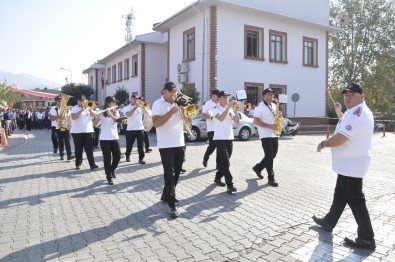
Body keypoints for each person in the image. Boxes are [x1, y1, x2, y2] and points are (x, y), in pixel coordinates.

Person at [313, 83, 376, 250]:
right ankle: (329, 221)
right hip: (348, 164)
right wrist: (340, 111)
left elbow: (341, 138)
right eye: (346, 94)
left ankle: (367, 238)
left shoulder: (358, 114)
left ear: (362, 96)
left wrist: (324, 143)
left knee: (356, 201)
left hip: (351, 164)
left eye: (352, 95)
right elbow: (345, 123)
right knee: (340, 194)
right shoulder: (354, 111)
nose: (348, 97)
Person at [152, 82, 191, 218]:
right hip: (165, 145)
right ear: (164, 92)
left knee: (177, 173)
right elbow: (156, 123)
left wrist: (185, 112)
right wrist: (171, 111)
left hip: (179, 143)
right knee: (169, 174)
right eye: (170, 92)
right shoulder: (158, 104)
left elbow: (188, 122)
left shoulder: (179, 103)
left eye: (174, 92)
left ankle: (165, 194)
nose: (173, 94)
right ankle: (172, 204)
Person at [212, 91, 240, 193]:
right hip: (219, 138)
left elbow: (237, 121)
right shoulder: (215, 109)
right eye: (224, 97)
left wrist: (235, 110)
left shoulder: (231, 110)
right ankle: (230, 185)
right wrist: (229, 108)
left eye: (226, 97)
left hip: (229, 138)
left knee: (225, 162)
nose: (226, 99)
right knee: (226, 162)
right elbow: (221, 118)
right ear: (218, 99)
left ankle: (217, 177)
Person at [252, 88, 280, 187]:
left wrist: (278, 121)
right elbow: (255, 121)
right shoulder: (259, 107)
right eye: (269, 94)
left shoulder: (274, 106)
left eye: (272, 94)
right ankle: (271, 178)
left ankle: (258, 168)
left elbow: (276, 119)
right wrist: (268, 126)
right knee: (269, 156)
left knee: (273, 155)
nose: (271, 96)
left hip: (273, 134)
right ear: (263, 96)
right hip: (265, 134)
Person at [93, 96, 121, 185]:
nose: (115, 103)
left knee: (117, 157)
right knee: (107, 159)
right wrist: (98, 116)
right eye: (114, 102)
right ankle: (109, 176)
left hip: (114, 138)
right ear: (108, 103)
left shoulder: (116, 112)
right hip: (104, 139)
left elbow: (117, 120)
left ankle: (112, 169)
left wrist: (110, 114)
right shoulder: (101, 113)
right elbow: (94, 124)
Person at [70, 95, 99, 170]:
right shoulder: (74, 108)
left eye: (84, 100)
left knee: (89, 148)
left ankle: (92, 165)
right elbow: (74, 117)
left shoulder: (88, 108)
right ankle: (78, 163)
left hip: (88, 131)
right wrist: (81, 110)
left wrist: (89, 109)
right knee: (78, 148)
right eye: (81, 100)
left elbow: (94, 116)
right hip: (77, 132)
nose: (83, 102)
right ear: (78, 101)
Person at [122, 95, 146, 164]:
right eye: (134, 99)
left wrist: (144, 108)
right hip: (130, 129)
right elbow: (128, 115)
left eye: (137, 99)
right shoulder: (126, 108)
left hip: (140, 128)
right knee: (129, 145)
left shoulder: (140, 107)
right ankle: (127, 156)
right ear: (130, 99)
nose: (136, 101)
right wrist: (135, 107)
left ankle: (141, 158)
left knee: (141, 145)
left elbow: (147, 113)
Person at [49, 96, 75, 161]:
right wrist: (59, 117)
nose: (60, 102)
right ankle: (62, 155)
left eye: (61, 101)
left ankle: (69, 155)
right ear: (56, 101)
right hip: (58, 127)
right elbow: (52, 118)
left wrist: (69, 123)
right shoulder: (53, 108)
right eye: (58, 101)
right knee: (61, 141)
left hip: (66, 126)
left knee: (67, 141)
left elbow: (70, 117)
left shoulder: (66, 108)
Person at [201, 89, 219, 168]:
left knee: (220, 148)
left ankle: (218, 165)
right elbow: (202, 116)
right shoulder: (208, 104)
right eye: (214, 96)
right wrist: (211, 116)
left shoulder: (220, 104)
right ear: (213, 96)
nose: (216, 98)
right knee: (212, 146)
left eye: (217, 96)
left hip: (220, 129)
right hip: (211, 129)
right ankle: (206, 157)